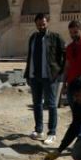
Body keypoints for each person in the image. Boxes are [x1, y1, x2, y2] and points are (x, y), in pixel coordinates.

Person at [23, 13, 65, 146]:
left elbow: (63, 55)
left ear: (47, 23)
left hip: (49, 77)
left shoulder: (55, 37)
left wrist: (58, 72)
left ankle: (52, 133)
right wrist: (28, 74)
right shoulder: (33, 37)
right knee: (37, 104)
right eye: (39, 24)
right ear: (36, 24)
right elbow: (30, 57)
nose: (42, 26)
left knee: (51, 105)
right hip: (35, 76)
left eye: (44, 23)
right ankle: (39, 130)